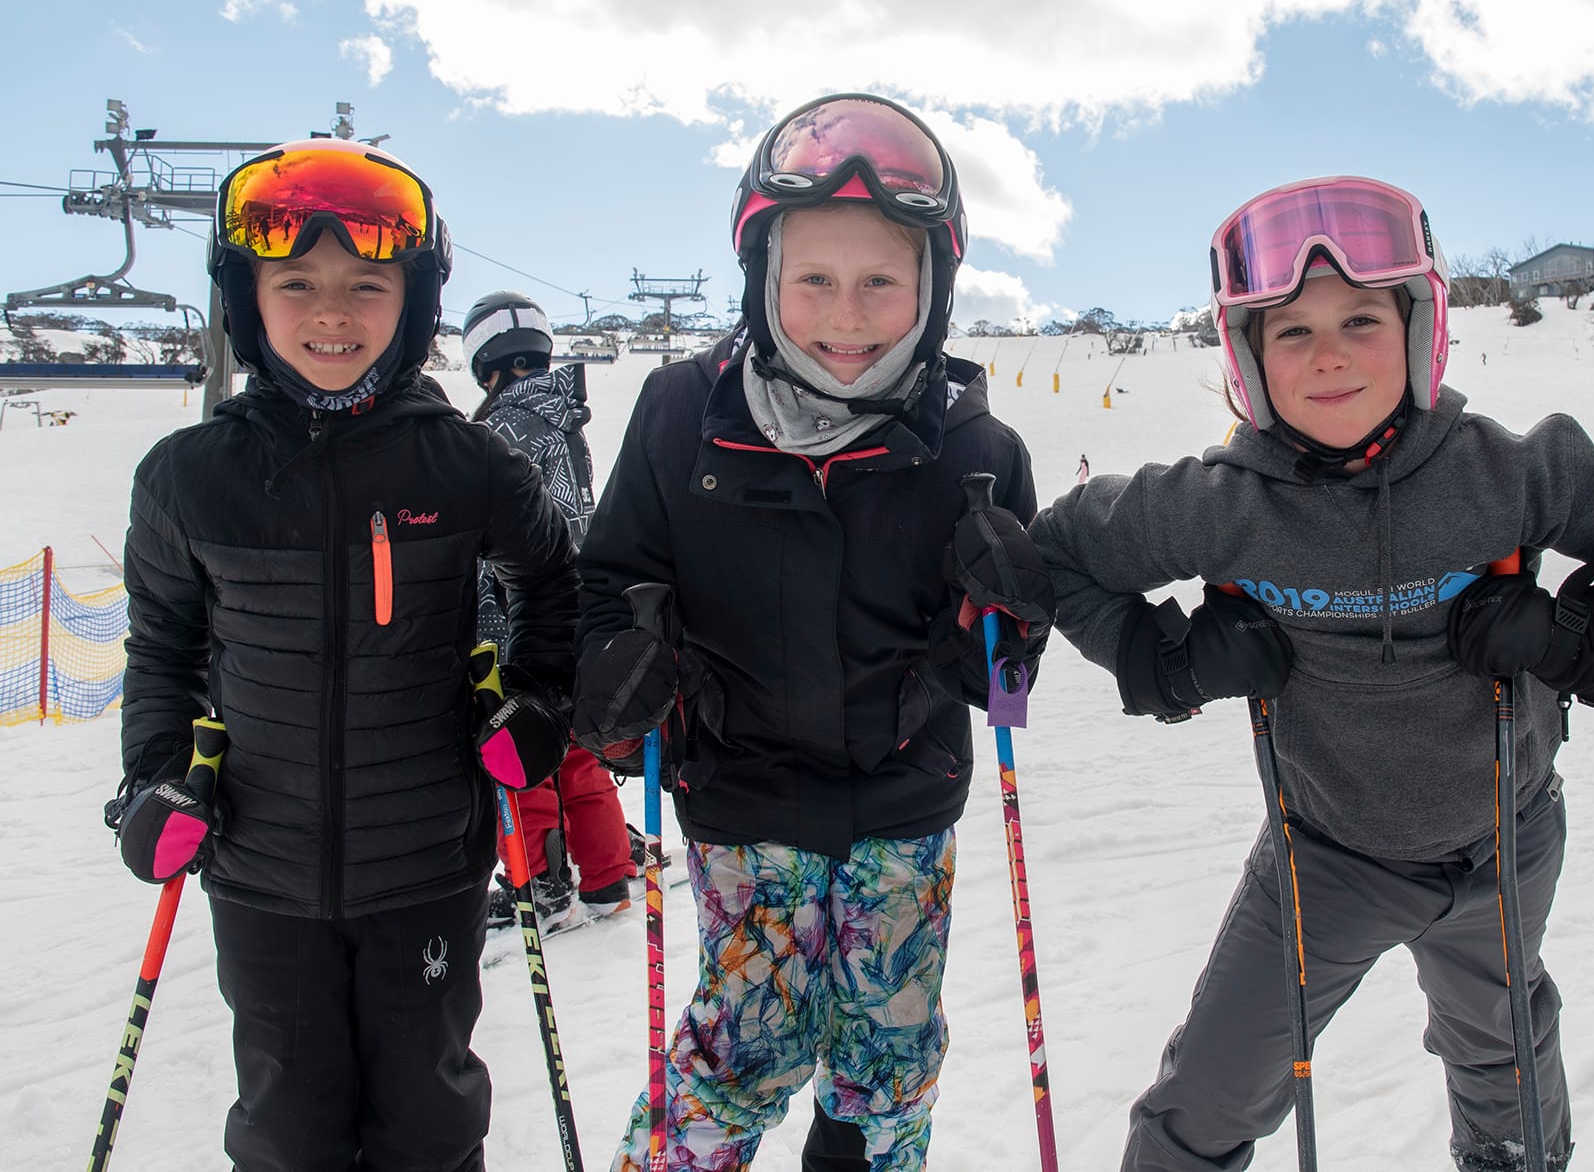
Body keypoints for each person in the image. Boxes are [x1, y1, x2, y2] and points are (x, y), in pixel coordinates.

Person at [1029, 175, 1594, 1172]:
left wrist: (1576, 638)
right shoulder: (1216, 504)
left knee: (1501, 1060)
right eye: (1290, 332)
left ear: (1417, 329)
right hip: (1323, 857)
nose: (1327, 354)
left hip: (1504, 837)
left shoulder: (1509, 474)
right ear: (1246, 357)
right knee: (1214, 1087)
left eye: (1360, 319)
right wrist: (1166, 662)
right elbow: (1057, 558)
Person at [569, 93, 1052, 1171]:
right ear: (763, 281)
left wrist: (1011, 618)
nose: (847, 315)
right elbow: (611, 586)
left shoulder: (975, 448)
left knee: (887, 1062)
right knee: (735, 1053)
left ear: (929, 288)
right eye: (815, 280)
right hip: (740, 804)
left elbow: (1004, 689)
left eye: (881, 281)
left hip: (902, 805)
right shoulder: (678, 413)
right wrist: (614, 669)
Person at [108, 138, 580, 1172]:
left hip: (424, 865)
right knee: (286, 1130)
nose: (331, 314)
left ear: (410, 307)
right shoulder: (191, 477)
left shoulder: (462, 461)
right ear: (247, 298)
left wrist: (537, 709)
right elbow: (165, 647)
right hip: (261, 872)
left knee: (429, 1123)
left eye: (367, 286)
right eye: (297, 284)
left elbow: (558, 583)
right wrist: (152, 779)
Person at [461, 290, 637, 930]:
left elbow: (491, 545)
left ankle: (538, 882)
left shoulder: (494, 430)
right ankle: (607, 873)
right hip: (579, 613)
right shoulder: (566, 422)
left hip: (517, 621)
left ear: (483, 358)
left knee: (522, 756)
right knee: (578, 752)